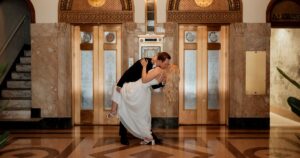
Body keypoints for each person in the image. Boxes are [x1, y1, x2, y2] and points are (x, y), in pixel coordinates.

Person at [108, 52, 171, 145]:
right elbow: (128, 72)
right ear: (160, 61)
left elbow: (152, 85)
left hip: (143, 93)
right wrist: (120, 84)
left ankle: (148, 136)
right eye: (166, 63)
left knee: (142, 114)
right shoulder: (145, 61)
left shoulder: (159, 70)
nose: (167, 65)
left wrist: (162, 83)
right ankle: (124, 135)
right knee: (125, 108)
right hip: (133, 88)